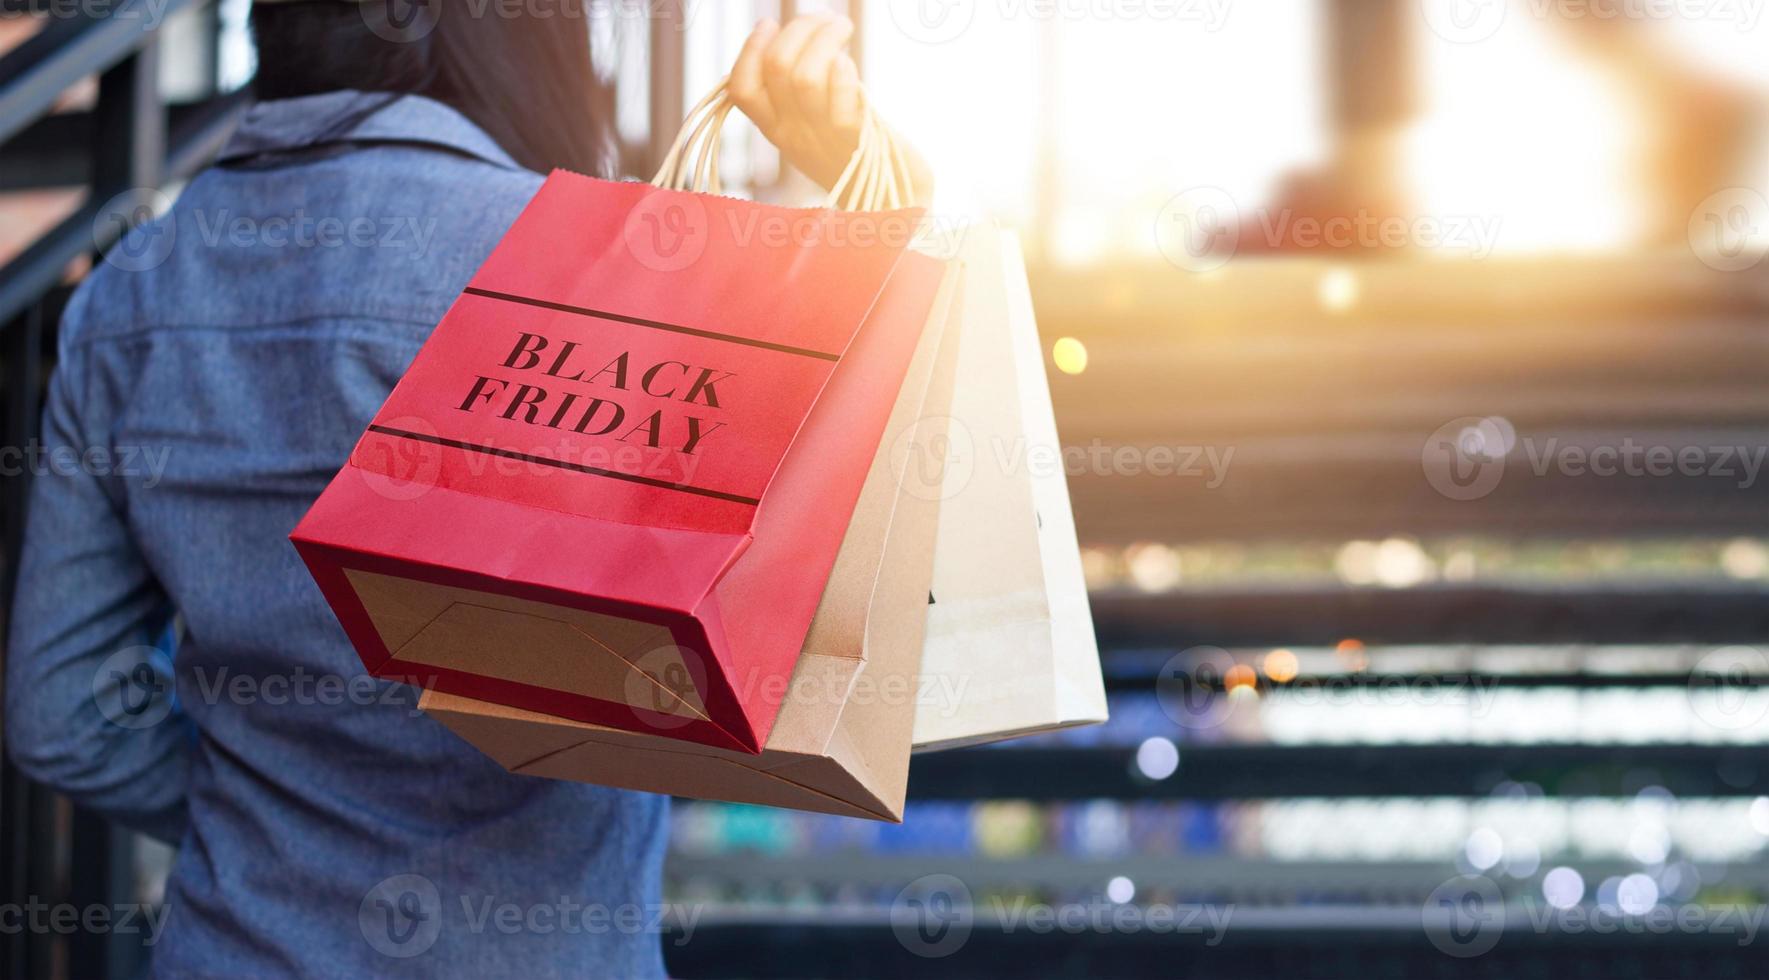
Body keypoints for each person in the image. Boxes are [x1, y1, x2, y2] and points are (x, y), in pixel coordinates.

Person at [4, 5, 924, 977]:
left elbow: (59, 710)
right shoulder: (593, 266)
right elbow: (815, 602)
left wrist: (265, 811)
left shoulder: (133, 289)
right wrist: (866, 182)